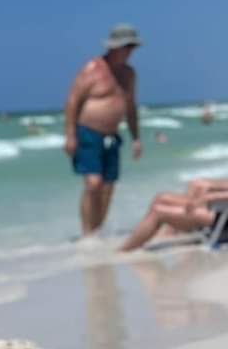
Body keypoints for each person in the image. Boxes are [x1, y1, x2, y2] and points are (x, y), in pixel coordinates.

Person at [64, 23, 143, 235]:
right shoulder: (93, 68)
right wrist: (70, 135)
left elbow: (131, 107)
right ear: (116, 47)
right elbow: (73, 102)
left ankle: (97, 230)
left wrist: (136, 138)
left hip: (112, 136)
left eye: (133, 47)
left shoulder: (129, 74)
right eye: (127, 47)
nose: (130, 52)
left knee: (108, 187)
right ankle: (87, 233)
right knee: (93, 184)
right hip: (88, 133)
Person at [121, 178, 228, 252]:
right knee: (161, 197)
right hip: (221, 211)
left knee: (158, 211)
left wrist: (208, 197)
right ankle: (157, 233)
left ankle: (125, 250)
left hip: (222, 219)